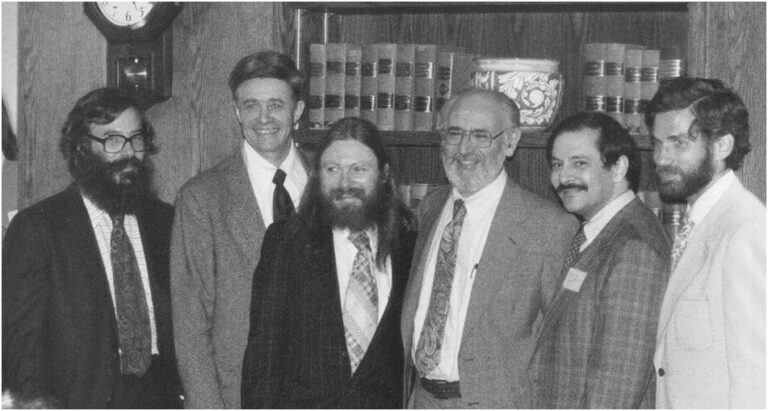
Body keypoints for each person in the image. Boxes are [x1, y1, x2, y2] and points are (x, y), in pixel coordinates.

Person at [2, 87, 182, 408]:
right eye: (113, 141)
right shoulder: (38, 228)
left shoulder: (166, 221)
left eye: (136, 139)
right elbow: (21, 346)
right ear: (83, 149)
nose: (129, 153)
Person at [400, 89, 578, 408]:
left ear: (510, 142)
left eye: (481, 136)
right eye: (454, 133)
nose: (464, 149)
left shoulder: (549, 227)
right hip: (421, 399)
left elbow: (565, 345)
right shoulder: (430, 207)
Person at [241, 117, 417, 408]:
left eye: (359, 169)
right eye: (332, 169)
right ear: (317, 175)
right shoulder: (286, 243)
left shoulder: (411, 245)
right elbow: (263, 358)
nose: (345, 183)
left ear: (384, 174)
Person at [170, 51, 309, 408]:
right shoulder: (202, 198)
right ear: (236, 112)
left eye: (276, 105)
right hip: (237, 398)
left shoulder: (328, 187)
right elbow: (190, 327)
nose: (263, 118)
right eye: (250, 106)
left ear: (297, 111)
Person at [532, 111, 670, 408]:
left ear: (619, 168)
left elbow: (615, 390)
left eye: (579, 163)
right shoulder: (596, 233)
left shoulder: (634, 248)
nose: (563, 177)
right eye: (557, 165)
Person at [647, 77, 765, 408]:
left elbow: (756, 380)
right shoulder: (700, 222)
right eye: (657, 143)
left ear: (722, 146)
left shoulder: (745, 231)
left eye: (678, 143)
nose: (660, 158)